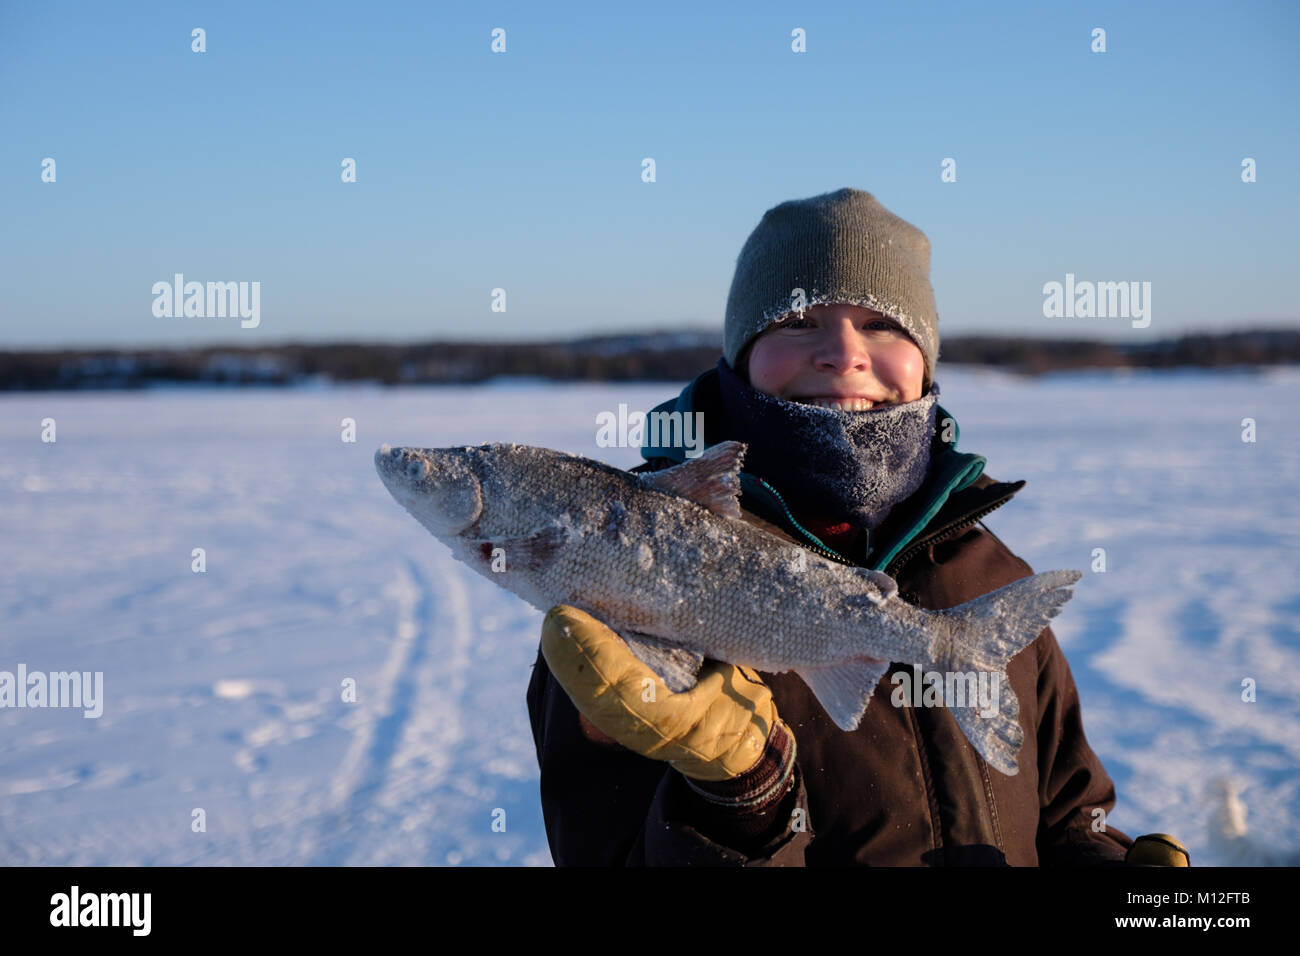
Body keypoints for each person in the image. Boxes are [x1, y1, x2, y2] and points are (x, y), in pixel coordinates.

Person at [525, 187, 1188, 867]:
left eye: (883, 324)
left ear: (925, 360)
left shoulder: (988, 578)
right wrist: (743, 798)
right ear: (740, 357)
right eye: (798, 319)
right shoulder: (619, 586)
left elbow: (1071, 816)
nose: (844, 353)